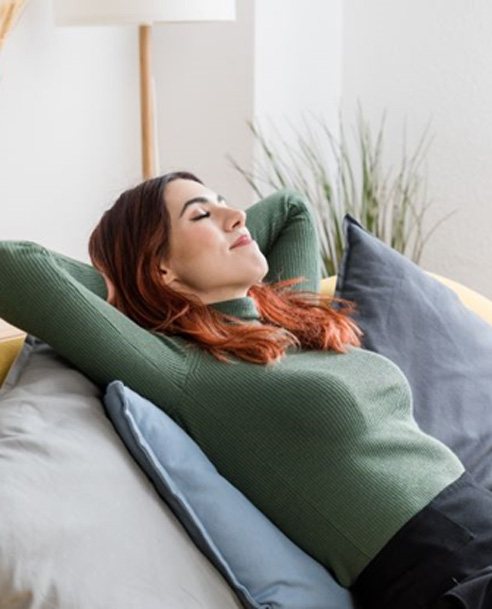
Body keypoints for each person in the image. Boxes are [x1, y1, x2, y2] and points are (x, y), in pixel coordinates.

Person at [0, 171, 491, 609]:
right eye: (202, 215)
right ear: (161, 268)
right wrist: (129, 284)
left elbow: (291, 209)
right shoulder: (187, 371)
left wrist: (209, 227)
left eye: (225, 203)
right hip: (447, 575)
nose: (236, 216)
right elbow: (14, 266)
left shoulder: (288, 323)